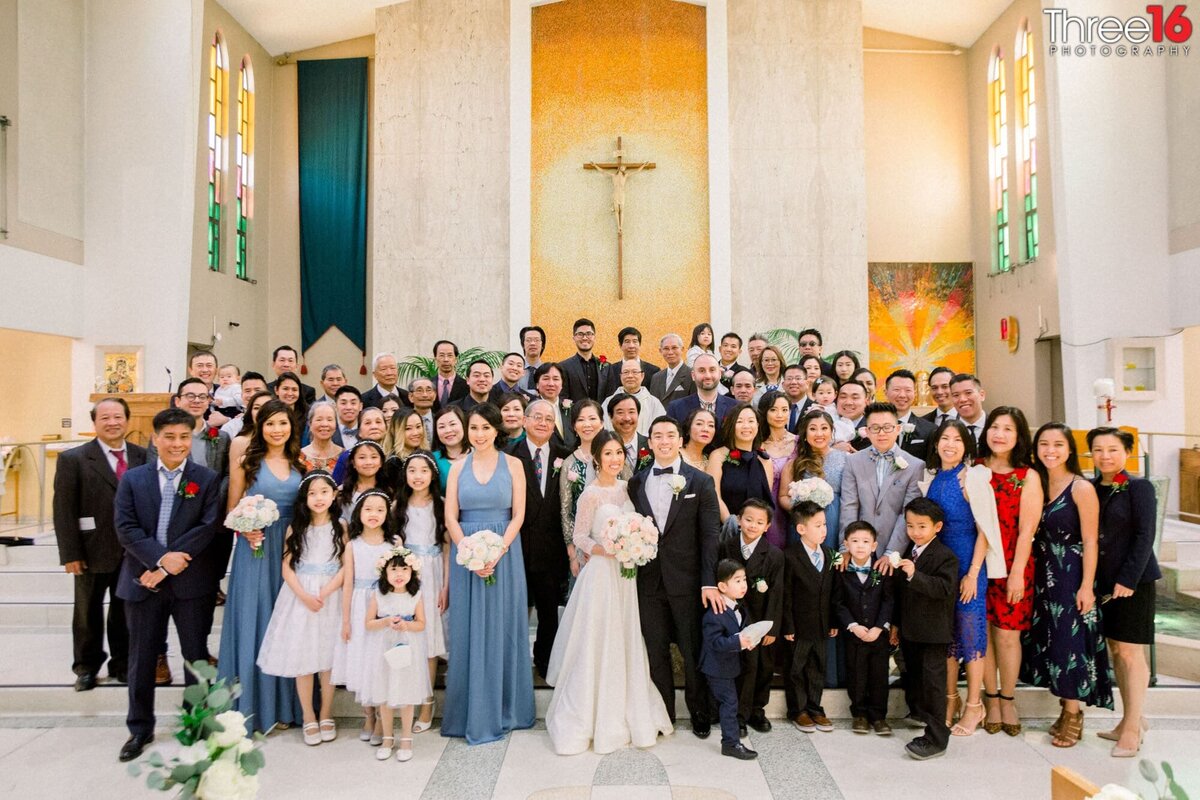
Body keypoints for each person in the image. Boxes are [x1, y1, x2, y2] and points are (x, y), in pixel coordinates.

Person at [545, 430, 673, 755]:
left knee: (626, 637)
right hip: (602, 575)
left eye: (619, 453)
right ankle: (589, 712)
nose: (615, 459)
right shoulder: (590, 495)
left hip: (627, 577)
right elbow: (580, 537)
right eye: (608, 454)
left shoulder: (628, 489)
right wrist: (607, 548)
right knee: (599, 639)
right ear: (597, 458)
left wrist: (636, 544)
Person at [114, 408, 221, 763]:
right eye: (170, 437)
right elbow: (126, 528)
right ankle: (139, 729)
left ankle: (197, 723)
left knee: (195, 656)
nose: (178, 444)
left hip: (191, 584)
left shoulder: (205, 479)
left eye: (184, 437)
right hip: (143, 581)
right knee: (141, 659)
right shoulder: (133, 479)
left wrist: (167, 565)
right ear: (155, 439)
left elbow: (207, 527)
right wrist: (159, 561)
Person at [442, 404, 535, 744]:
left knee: (503, 628)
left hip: (504, 554)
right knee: (467, 630)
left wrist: (495, 551)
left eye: (485, 428)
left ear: (496, 430)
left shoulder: (514, 465)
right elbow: (451, 516)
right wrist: (468, 551)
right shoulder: (455, 468)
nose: (479, 434)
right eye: (474, 428)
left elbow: (518, 515)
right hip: (465, 555)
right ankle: (469, 711)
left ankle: (506, 708)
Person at [628, 416, 721, 737]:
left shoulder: (700, 481)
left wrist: (708, 580)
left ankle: (699, 711)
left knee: (692, 648)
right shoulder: (636, 482)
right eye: (657, 436)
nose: (664, 441)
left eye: (671, 434)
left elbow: (711, 536)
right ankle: (662, 713)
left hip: (688, 581)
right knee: (655, 651)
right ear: (649, 442)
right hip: (648, 581)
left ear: (681, 439)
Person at [1022, 423, 1113, 748]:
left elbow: (1090, 540)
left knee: (1068, 640)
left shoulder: (1080, 488)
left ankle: (1073, 712)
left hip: (1070, 572)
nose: (1050, 450)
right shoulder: (1037, 480)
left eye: (1058, 444)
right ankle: (1064, 707)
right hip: (1043, 570)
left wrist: (1087, 585)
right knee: (1049, 637)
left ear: (1069, 450)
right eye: (1044, 444)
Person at [218, 399, 306, 733]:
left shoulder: (299, 461)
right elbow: (232, 507)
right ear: (260, 427)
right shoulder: (247, 460)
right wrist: (245, 525)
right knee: (258, 620)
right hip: (255, 547)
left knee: (287, 623)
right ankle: (255, 705)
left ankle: (286, 705)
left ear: (291, 426)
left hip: (290, 547)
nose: (277, 430)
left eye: (283, 423)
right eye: (270, 424)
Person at [54, 398, 147, 692]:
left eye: (118, 417)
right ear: (95, 422)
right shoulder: (74, 459)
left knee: (124, 611)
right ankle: (86, 667)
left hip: (131, 552)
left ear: (127, 421)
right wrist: (70, 553)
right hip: (91, 550)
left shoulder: (142, 456)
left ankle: (122, 664)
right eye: (105, 418)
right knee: (87, 612)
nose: (112, 423)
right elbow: (63, 510)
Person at [920, 419, 1003, 737]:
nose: (950, 444)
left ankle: (974, 706)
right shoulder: (933, 478)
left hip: (969, 564)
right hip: (941, 570)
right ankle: (949, 701)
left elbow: (985, 529)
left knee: (970, 636)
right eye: (944, 438)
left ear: (967, 445)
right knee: (947, 637)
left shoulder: (973, 478)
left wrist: (972, 574)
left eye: (957, 439)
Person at [256, 471, 346, 746]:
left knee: (329, 657)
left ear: (334, 495)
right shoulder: (297, 527)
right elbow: (286, 566)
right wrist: (304, 595)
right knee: (303, 657)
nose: (318, 498)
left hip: (331, 593)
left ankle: (327, 713)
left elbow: (346, 565)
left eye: (324, 492)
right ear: (304, 499)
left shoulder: (341, 525)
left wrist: (326, 591)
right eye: (312, 493)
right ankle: (308, 715)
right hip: (300, 595)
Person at [1088, 426, 1158, 757]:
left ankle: (1132, 728)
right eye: (1099, 450)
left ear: (1126, 452)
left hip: (1133, 583)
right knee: (1116, 649)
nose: (1105, 456)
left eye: (1113, 449)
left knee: (1131, 653)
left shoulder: (1138, 487)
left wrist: (1128, 580)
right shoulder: (1089, 488)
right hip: (1103, 583)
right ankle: (1129, 719)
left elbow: (1145, 536)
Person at [978, 407, 1041, 737]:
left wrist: (1017, 572)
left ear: (1019, 437)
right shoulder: (975, 468)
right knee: (983, 634)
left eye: (1007, 429)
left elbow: (1027, 529)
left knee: (1007, 634)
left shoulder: (1026, 475)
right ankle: (990, 698)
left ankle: (1008, 697)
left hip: (1014, 565)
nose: (999, 434)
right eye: (994, 427)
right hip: (978, 564)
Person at [507, 399, 571, 679]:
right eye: (537, 417)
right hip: (516, 545)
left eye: (549, 418)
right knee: (514, 609)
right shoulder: (508, 454)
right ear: (524, 420)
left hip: (551, 547)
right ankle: (514, 662)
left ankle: (545, 661)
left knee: (548, 611)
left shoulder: (564, 455)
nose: (543, 422)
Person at [894, 497, 959, 761]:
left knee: (933, 683)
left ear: (937, 527)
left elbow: (944, 589)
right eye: (910, 526)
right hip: (911, 630)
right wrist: (896, 624)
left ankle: (937, 738)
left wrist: (914, 575)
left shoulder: (945, 556)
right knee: (915, 675)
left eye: (922, 526)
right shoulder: (911, 550)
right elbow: (901, 594)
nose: (915, 532)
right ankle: (919, 713)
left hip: (933, 632)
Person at [331, 491, 399, 745]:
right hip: (360, 606)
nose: (374, 514)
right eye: (368, 509)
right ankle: (368, 716)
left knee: (381, 661)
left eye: (380, 510)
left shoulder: (393, 543)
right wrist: (346, 619)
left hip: (384, 605)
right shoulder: (353, 545)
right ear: (359, 512)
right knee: (362, 660)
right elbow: (347, 584)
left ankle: (383, 719)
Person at [717, 499, 783, 737]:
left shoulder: (774, 555)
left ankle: (757, 709)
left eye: (759, 522)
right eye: (748, 520)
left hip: (761, 620)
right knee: (743, 667)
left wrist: (772, 628)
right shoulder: (728, 546)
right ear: (738, 520)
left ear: (767, 527)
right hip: (733, 618)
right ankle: (739, 714)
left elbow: (776, 593)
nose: (753, 525)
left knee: (763, 666)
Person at [395, 451, 449, 732]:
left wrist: (446, 585)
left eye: (423, 471)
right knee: (407, 638)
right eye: (412, 470)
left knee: (428, 639)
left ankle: (428, 702)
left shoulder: (440, 505)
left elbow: (448, 546)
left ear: (432, 475)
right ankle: (408, 697)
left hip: (433, 572)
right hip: (406, 576)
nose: (417, 476)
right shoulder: (398, 506)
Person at [362, 547, 430, 763]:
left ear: (412, 572)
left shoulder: (416, 595)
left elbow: (421, 624)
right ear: (385, 573)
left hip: (408, 650)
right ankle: (388, 738)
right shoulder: (378, 595)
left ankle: (406, 738)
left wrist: (406, 626)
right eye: (394, 570)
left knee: (408, 694)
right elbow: (369, 623)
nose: (399, 574)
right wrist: (385, 621)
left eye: (404, 569)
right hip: (384, 651)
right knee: (385, 694)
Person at [839, 402, 924, 565]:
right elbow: (849, 506)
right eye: (875, 428)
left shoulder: (915, 465)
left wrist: (892, 552)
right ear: (867, 431)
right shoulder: (853, 462)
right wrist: (847, 546)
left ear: (898, 429)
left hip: (896, 549)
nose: (881, 433)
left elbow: (907, 513)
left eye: (887, 427)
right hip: (859, 549)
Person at [780, 501, 837, 734]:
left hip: (822, 624)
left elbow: (833, 593)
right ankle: (798, 710)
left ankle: (815, 706)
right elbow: (786, 595)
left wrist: (833, 621)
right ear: (801, 529)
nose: (823, 530)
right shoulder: (789, 556)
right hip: (799, 625)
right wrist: (788, 625)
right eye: (817, 525)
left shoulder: (829, 554)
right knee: (796, 668)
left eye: (824, 525)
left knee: (817, 666)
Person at [835, 521, 894, 736]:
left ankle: (879, 716)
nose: (860, 546)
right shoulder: (841, 569)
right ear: (846, 544)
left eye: (866, 541)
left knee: (879, 675)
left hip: (878, 634)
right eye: (855, 541)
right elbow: (838, 603)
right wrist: (853, 626)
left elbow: (889, 601)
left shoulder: (882, 568)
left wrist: (880, 627)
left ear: (874, 545)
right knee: (857, 674)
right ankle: (859, 714)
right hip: (854, 634)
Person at [700, 559, 758, 761]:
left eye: (744, 580)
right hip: (716, 667)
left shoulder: (739, 607)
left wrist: (747, 640)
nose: (743, 585)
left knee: (728, 702)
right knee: (729, 702)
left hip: (730, 665)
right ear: (722, 586)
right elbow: (715, 643)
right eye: (737, 581)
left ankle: (730, 740)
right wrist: (738, 642)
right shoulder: (715, 613)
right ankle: (730, 743)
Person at [780, 410, 846, 549]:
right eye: (812, 429)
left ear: (831, 431)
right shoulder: (794, 463)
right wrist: (801, 506)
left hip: (834, 521)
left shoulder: (845, 459)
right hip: (804, 523)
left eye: (824, 428)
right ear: (805, 434)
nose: (819, 434)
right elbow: (783, 496)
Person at [706, 403, 773, 533]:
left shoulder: (764, 459)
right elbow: (714, 495)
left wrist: (753, 526)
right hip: (725, 528)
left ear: (758, 425)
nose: (746, 426)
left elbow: (764, 502)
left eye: (751, 421)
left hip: (755, 530)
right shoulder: (718, 456)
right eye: (740, 421)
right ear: (732, 426)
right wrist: (732, 523)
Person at [558, 399, 605, 575]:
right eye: (580, 419)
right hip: (581, 547)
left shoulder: (614, 457)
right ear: (574, 426)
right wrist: (573, 552)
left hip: (612, 543)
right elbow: (566, 509)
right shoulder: (569, 463)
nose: (587, 424)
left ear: (601, 423)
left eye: (592, 418)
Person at [758, 391, 797, 549]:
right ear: (764, 411)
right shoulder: (757, 444)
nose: (779, 414)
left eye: (784, 409)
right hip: (768, 505)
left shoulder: (799, 442)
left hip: (793, 503)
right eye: (773, 410)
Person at [667, 354, 736, 427]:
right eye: (702, 370)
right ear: (693, 376)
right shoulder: (676, 408)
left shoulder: (734, 407)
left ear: (719, 374)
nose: (707, 376)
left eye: (712, 370)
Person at [602, 359, 665, 434]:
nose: (630, 376)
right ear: (620, 376)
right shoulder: (608, 402)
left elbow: (661, 429)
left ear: (642, 376)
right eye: (626, 372)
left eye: (634, 372)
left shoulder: (654, 403)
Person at [885, 369, 936, 461]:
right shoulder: (873, 428)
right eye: (897, 390)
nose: (902, 395)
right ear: (886, 392)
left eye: (908, 390)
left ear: (915, 394)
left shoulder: (929, 430)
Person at [600, 326, 661, 398]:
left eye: (635, 341)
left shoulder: (654, 371)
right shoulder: (610, 370)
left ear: (639, 344)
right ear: (620, 345)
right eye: (627, 341)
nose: (631, 346)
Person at [332, 406, 387, 484]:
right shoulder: (347, 457)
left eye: (378, 422)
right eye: (367, 423)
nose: (374, 427)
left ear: (386, 428)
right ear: (359, 431)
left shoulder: (393, 457)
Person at [560, 318, 609, 403]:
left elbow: (610, 396)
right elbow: (562, 397)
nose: (585, 338)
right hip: (575, 415)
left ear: (594, 337)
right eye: (580, 334)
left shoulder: (606, 367)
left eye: (589, 334)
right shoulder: (563, 367)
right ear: (574, 338)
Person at [338, 440, 387, 521]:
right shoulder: (343, 491)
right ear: (353, 462)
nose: (368, 462)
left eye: (374, 457)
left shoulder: (389, 490)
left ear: (381, 462)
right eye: (362, 457)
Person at [533, 362, 576, 451]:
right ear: (537, 384)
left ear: (562, 384)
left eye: (556, 379)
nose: (551, 384)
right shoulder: (530, 409)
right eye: (546, 378)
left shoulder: (572, 409)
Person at [608, 393, 650, 478]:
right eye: (620, 412)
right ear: (610, 416)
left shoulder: (651, 446)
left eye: (631, 412)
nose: (627, 418)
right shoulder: (603, 447)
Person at [219, 372, 269, 438]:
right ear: (241, 395)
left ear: (267, 393)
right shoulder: (230, 428)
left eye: (257, 390)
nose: (252, 395)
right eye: (247, 391)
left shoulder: (279, 421)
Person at [432, 406, 469, 493]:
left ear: (463, 425)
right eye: (441, 427)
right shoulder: (432, 460)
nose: (448, 430)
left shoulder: (479, 453)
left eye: (452, 424)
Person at [648, 332, 694, 403]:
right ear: (660, 351)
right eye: (666, 348)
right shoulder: (656, 377)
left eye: (674, 348)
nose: (670, 352)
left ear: (682, 349)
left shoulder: (692, 375)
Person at [300, 401, 343, 474]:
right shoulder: (299, 457)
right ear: (310, 424)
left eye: (329, 419)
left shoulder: (344, 456)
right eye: (319, 419)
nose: (324, 424)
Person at [950, 374, 987, 445]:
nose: (962, 399)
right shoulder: (947, 431)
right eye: (956, 395)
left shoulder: (994, 426)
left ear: (982, 395)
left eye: (968, 393)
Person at [433, 340, 469, 407]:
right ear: (435, 359)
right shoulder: (429, 384)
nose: (446, 359)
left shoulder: (467, 386)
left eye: (450, 355)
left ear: (456, 360)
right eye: (441, 355)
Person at [781, 364, 814, 433]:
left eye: (798, 378)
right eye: (789, 378)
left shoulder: (814, 408)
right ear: (783, 385)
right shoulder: (776, 408)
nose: (793, 382)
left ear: (807, 383)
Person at [332, 385, 364, 449]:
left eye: (353, 403)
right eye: (343, 403)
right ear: (335, 406)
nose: (348, 407)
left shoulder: (367, 430)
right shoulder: (329, 431)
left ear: (360, 406)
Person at [517, 325, 547, 392]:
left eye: (536, 340)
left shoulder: (547, 371)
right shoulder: (516, 370)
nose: (532, 343)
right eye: (528, 340)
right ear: (523, 345)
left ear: (542, 345)